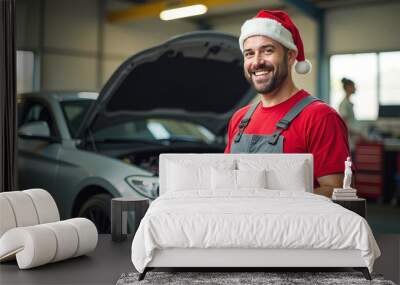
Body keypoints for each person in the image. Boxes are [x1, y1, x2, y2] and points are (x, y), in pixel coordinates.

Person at [224, 10, 351, 198]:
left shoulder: (320, 117)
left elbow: (338, 192)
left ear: (290, 56)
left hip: (295, 225)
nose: (257, 62)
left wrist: (273, 200)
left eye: (268, 50)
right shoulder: (239, 118)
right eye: (249, 54)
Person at [338, 78, 364, 150]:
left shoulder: (348, 103)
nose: (355, 88)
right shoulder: (344, 104)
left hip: (352, 141)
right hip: (348, 142)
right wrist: (357, 133)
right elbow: (344, 125)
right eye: (353, 86)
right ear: (348, 87)